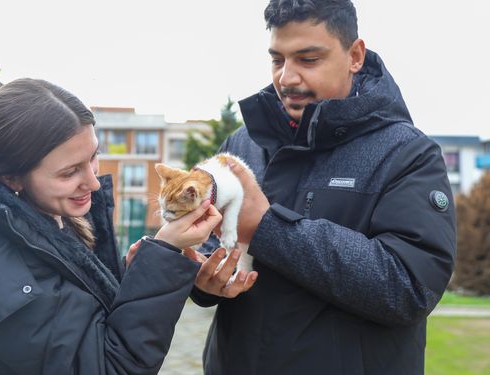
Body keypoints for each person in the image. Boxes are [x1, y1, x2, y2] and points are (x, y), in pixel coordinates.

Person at [0, 78, 222, 375]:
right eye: (69, 172)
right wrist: (163, 252)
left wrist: (138, 276)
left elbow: (87, 321)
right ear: (11, 177)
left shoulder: (54, 216)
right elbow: (111, 366)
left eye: (93, 157)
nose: (92, 182)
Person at [189, 1, 457, 374]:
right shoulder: (241, 144)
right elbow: (207, 246)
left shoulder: (408, 154)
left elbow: (408, 288)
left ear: (355, 56)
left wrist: (268, 229)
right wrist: (201, 278)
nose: (287, 78)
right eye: (277, 60)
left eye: (308, 59)